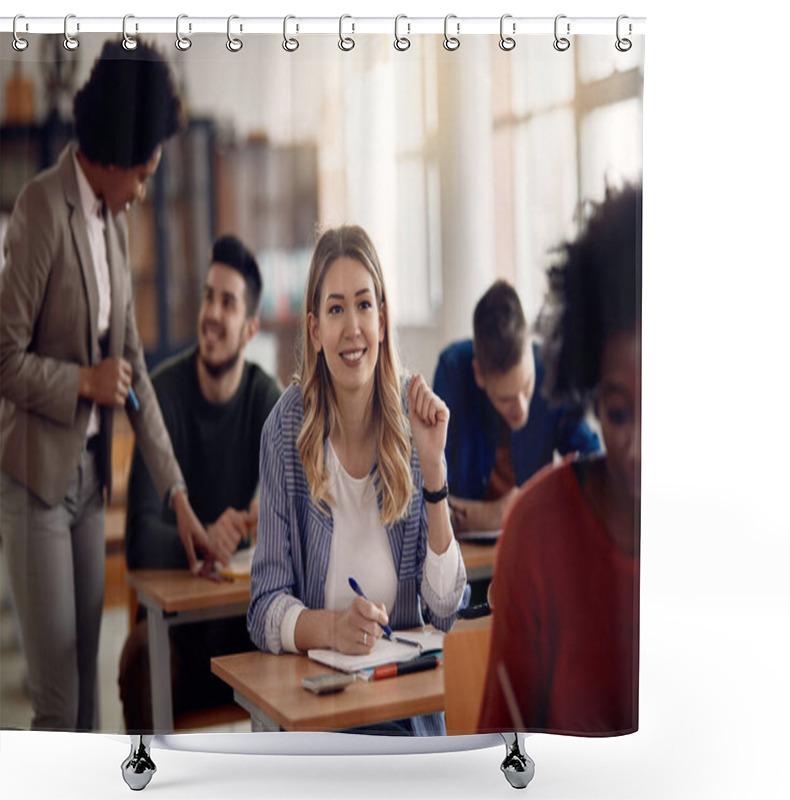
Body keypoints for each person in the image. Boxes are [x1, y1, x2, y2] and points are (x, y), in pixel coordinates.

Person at [0, 40, 216, 732]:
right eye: (146, 171)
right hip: (35, 485)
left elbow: (135, 377)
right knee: (58, 705)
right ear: (118, 157)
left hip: (89, 487)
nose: (146, 189)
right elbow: (3, 358)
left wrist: (179, 495)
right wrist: (82, 383)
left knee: (90, 700)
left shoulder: (114, 226)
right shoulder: (40, 210)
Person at [247, 225, 467, 737]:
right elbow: (263, 609)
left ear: (383, 320)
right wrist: (332, 628)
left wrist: (434, 473)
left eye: (365, 305)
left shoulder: (413, 419)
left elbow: (447, 610)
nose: (353, 329)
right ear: (315, 330)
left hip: (405, 718)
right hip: (317, 724)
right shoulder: (285, 431)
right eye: (336, 309)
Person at [478, 184, 642, 735]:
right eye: (619, 415)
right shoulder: (539, 531)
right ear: (593, 390)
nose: (639, 450)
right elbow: (497, 765)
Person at [118, 235, 282, 732]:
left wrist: (253, 524)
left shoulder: (265, 398)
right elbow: (139, 539)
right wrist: (206, 538)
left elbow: (298, 509)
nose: (211, 312)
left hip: (244, 627)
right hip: (176, 639)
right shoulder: (162, 394)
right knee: (139, 658)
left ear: (250, 328)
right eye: (208, 296)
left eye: (227, 302)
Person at [433, 280, 600, 534]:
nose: (521, 408)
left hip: (534, 549)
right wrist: (496, 514)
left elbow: (595, 464)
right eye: (505, 399)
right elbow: (430, 493)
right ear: (479, 374)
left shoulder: (553, 370)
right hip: (466, 559)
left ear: (530, 353)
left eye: (526, 386)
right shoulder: (453, 371)